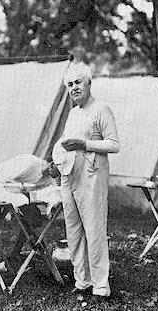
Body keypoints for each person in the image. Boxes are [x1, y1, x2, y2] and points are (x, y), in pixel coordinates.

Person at [53, 62, 119, 299]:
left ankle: (101, 285)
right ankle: (82, 279)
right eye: (69, 85)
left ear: (89, 82)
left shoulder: (101, 109)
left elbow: (114, 144)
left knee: (94, 229)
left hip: (92, 175)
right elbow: (64, 142)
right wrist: (57, 160)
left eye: (78, 82)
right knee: (74, 230)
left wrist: (85, 145)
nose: (74, 88)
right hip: (69, 174)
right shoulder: (73, 113)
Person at [0, 154, 61, 271]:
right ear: (52, 164)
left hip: (15, 193)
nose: (62, 173)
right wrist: (16, 191)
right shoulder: (29, 162)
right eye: (61, 168)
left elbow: (52, 194)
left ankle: (14, 256)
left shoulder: (50, 179)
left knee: (34, 218)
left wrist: (52, 205)